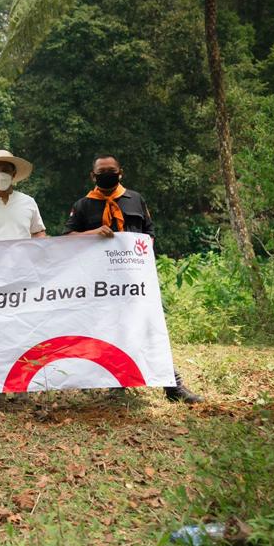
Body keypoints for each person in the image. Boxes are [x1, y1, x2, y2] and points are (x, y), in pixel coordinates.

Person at [65, 154, 203, 404]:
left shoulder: (136, 199)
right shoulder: (84, 204)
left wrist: (141, 246)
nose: (107, 174)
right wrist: (93, 233)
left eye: (111, 170)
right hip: (100, 284)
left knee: (151, 329)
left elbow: (149, 232)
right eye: (101, 171)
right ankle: (115, 385)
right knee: (106, 330)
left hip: (135, 282)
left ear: (121, 172)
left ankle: (172, 386)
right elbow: (68, 238)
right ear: (92, 176)